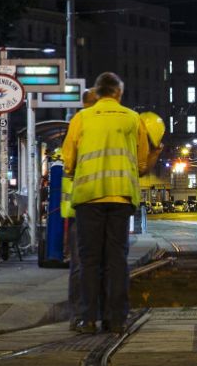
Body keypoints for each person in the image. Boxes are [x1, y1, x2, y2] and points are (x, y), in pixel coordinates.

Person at [61, 72, 161, 334]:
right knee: (116, 259)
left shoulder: (80, 118)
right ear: (118, 92)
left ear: (98, 92)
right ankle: (116, 318)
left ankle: (87, 318)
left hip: (88, 197)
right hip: (121, 197)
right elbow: (140, 163)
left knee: (89, 259)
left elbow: (68, 161)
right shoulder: (132, 118)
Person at [63, 90, 99, 331]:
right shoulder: (84, 125)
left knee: (80, 266)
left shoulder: (77, 127)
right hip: (92, 208)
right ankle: (95, 314)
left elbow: (67, 164)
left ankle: (81, 315)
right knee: (96, 264)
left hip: (78, 211)